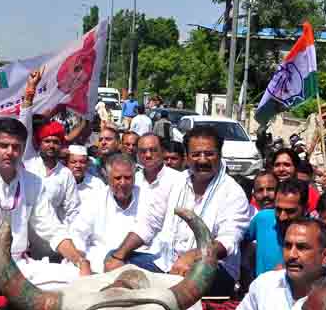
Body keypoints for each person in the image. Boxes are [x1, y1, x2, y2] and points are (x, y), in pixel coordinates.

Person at [105, 124, 252, 296]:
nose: (202, 160)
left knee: (177, 283)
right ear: (187, 157)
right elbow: (149, 223)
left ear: (219, 155)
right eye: (196, 155)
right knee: (114, 258)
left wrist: (193, 257)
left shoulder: (233, 192)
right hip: (169, 263)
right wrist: (119, 256)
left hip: (213, 270)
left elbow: (228, 241)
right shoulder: (176, 182)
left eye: (209, 154)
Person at [0, 118, 89, 288]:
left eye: (16, 147)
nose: (10, 152)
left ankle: (9, 286)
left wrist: (79, 260)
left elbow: (52, 229)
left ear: (23, 149)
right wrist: (0, 253)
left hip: (19, 264)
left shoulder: (33, 182)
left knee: (77, 275)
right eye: (3, 145)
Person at [231, 218, 326, 310]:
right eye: (287, 246)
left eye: (302, 247)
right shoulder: (265, 284)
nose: (292, 255)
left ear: (324, 256)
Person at [70, 153, 141, 272]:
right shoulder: (95, 199)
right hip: (99, 265)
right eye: (118, 178)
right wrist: (81, 260)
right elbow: (77, 233)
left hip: (137, 262)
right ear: (108, 178)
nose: (123, 183)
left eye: (128, 177)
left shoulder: (146, 198)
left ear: (134, 177)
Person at [245, 178, 309, 277]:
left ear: (305, 209)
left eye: (290, 211)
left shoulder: (315, 234)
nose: (282, 217)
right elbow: (239, 241)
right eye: (278, 210)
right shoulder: (262, 219)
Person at [24, 121, 79, 225]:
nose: (51, 145)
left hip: (52, 234)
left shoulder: (66, 174)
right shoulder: (28, 166)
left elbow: (73, 209)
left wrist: (63, 233)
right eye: (47, 141)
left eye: (55, 142)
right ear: (40, 143)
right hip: (25, 232)